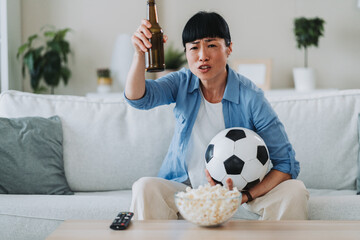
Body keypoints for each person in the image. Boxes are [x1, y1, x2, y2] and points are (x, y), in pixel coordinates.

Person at [125, 11, 309, 220]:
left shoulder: (251, 97)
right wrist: (139, 53)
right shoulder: (181, 83)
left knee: (294, 190)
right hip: (189, 194)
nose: (202, 55)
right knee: (145, 187)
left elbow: (287, 164)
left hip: (238, 198)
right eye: (194, 47)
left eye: (211, 45)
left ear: (229, 48)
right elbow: (138, 98)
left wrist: (245, 196)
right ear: (186, 53)